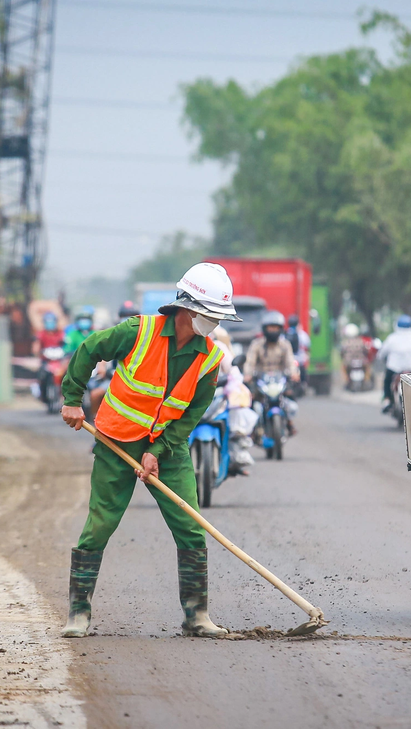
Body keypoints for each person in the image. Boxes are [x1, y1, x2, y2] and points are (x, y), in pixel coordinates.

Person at [57, 262, 242, 639]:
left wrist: (158, 449)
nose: (216, 324)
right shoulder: (137, 332)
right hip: (116, 441)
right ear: (189, 309)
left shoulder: (209, 359)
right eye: (212, 315)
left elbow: (191, 415)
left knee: (191, 527)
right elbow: (90, 349)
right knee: (100, 526)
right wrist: (72, 398)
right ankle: (78, 613)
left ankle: (197, 615)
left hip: (168, 450)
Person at [244, 311, 300, 434]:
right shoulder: (256, 344)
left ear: (280, 329)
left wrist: (294, 373)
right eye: (270, 328)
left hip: (279, 380)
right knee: (251, 400)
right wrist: (247, 375)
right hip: (260, 380)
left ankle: (289, 422)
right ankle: (253, 429)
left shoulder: (285, 345)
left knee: (290, 396)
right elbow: (250, 362)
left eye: (276, 328)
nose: (273, 331)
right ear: (265, 329)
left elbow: (290, 362)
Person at [378, 314, 411, 414]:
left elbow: (381, 354)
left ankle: (387, 400)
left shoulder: (391, 339)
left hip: (394, 369)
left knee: (387, 381)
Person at [285, 314, 311, 389]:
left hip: (289, 360)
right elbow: (307, 345)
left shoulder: (285, 334)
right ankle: (303, 383)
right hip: (300, 359)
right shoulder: (302, 335)